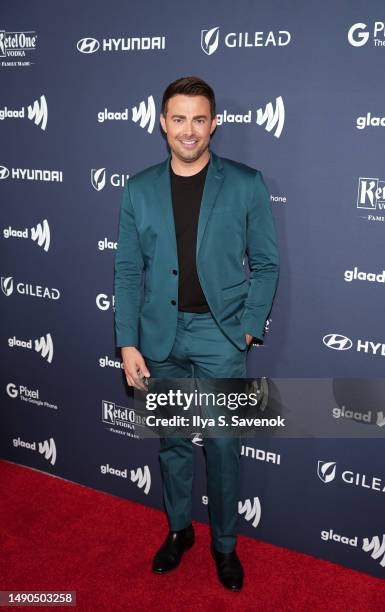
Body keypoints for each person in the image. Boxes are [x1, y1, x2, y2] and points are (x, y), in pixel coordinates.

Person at [114, 76, 279, 591]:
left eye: (199, 119)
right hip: (159, 339)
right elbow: (125, 271)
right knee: (173, 444)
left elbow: (268, 265)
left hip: (220, 337)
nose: (189, 130)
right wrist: (127, 341)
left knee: (224, 446)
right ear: (162, 123)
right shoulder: (138, 189)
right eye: (178, 119)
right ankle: (179, 531)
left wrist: (248, 329)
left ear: (214, 125)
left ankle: (224, 545)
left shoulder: (246, 183)